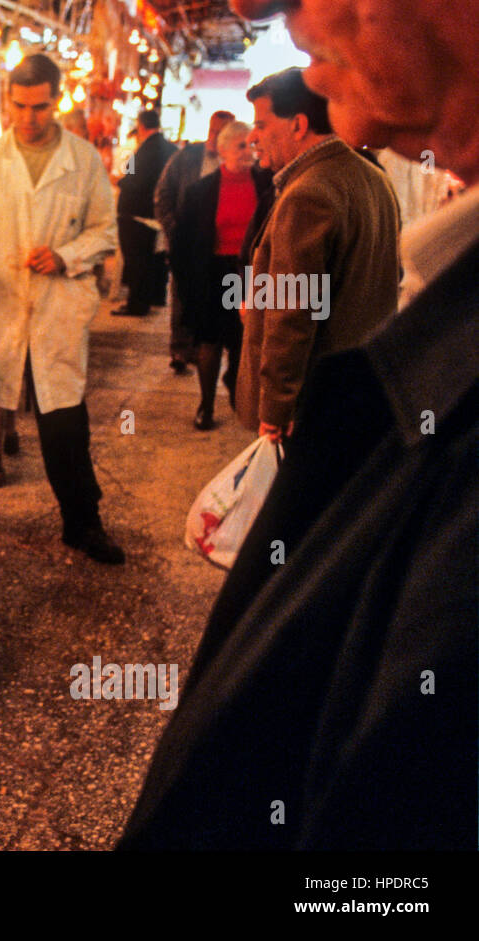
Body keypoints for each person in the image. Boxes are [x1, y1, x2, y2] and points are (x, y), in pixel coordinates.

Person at [120, 0, 477, 850]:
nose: (249, 7)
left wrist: (273, 417)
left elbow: (282, 315)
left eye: (260, 126)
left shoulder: (314, 191)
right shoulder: (370, 184)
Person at [0, 54, 122, 565]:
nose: (29, 117)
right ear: (8, 100)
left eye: (41, 106)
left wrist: (66, 255)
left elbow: (104, 232)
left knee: (64, 423)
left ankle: (82, 522)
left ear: (57, 100)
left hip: (56, 313)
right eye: (20, 105)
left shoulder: (84, 161)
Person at [235, 68, 400, 444]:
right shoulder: (372, 178)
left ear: (298, 125)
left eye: (261, 124)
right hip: (355, 390)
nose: (253, 137)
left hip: (311, 404)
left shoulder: (307, 194)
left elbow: (292, 313)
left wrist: (276, 409)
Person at [169, 120, 272, 430]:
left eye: (250, 145)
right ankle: (206, 404)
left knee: (245, 340)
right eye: (240, 146)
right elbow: (183, 239)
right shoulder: (202, 191)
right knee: (210, 339)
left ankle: (241, 399)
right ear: (224, 149)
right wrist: (185, 282)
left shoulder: (267, 184)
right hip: (214, 271)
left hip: (251, 273)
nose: (248, 152)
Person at [154, 109, 235, 372]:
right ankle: (180, 349)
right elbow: (163, 193)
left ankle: (207, 346)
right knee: (181, 294)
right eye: (212, 131)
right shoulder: (187, 157)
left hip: (220, 245)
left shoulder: (235, 161)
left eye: (221, 133)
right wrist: (172, 228)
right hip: (187, 239)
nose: (214, 138)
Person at [114, 110, 177, 317]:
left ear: (141, 126)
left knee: (136, 259)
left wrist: (120, 181)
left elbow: (130, 178)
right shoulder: (171, 149)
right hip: (158, 212)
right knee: (155, 258)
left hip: (136, 212)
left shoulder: (140, 151)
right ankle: (155, 296)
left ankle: (137, 304)